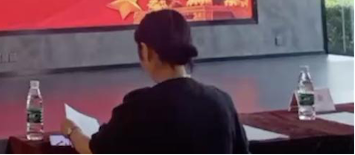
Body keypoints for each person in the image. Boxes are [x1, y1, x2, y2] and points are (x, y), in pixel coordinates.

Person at [61, 10, 249, 155]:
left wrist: (73, 131)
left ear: (146, 50)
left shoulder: (137, 107)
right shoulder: (222, 102)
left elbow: (94, 151)